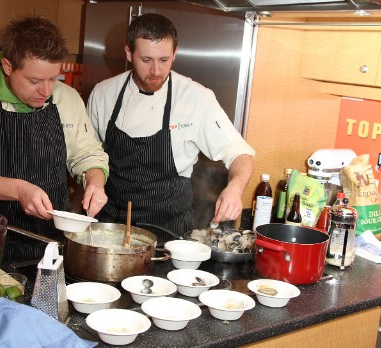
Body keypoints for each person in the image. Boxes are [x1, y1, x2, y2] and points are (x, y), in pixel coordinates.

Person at [0, 16, 109, 261]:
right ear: (7, 66)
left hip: (53, 244)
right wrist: (19, 190)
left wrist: (94, 181)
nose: (46, 91)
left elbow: (87, 153)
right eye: (34, 80)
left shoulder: (67, 98)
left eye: (52, 79)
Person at [86, 13, 255, 240]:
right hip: (110, 227)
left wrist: (234, 189)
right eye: (146, 60)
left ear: (175, 53)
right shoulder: (104, 93)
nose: (156, 71)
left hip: (169, 232)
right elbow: (87, 156)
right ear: (128, 53)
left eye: (164, 60)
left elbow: (240, 153)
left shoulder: (196, 98)